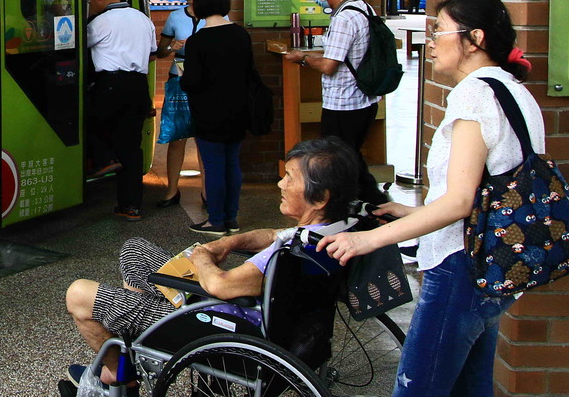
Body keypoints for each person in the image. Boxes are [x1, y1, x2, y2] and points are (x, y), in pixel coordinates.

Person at [320, 0, 538, 397]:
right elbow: (483, 192)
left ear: (475, 40)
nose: (430, 41)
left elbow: (460, 200)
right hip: (493, 271)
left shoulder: (473, 98)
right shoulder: (516, 94)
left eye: (440, 31)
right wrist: (409, 214)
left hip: (459, 271)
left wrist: (369, 237)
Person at [65, 137, 361, 384]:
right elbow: (273, 233)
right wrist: (228, 242)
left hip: (223, 326)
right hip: (262, 317)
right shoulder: (330, 232)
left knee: (78, 294)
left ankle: (120, 372)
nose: (281, 184)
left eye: (289, 179)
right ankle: (141, 339)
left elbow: (221, 285)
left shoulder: (288, 258)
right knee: (134, 249)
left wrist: (205, 256)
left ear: (320, 197)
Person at [285, 0, 389, 206]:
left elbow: (330, 65)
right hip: (364, 99)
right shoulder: (364, 8)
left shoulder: (343, 18)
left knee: (338, 162)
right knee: (350, 158)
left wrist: (303, 58)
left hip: (344, 104)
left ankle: (368, 206)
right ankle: (372, 206)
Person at [179, 0, 253, 234]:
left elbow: (192, 82)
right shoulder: (241, 34)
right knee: (232, 162)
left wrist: (182, 76)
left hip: (209, 112)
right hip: (239, 110)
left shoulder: (198, 41)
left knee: (213, 166)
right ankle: (231, 218)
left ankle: (216, 221)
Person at [82, 0, 155, 221]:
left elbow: (77, 45)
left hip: (111, 85)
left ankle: (104, 158)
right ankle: (130, 206)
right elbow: (153, 53)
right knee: (131, 148)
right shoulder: (143, 19)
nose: (89, 3)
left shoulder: (101, 22)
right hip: (138, 87)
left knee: (82, 119)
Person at [153, 0, 207, 207]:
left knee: (206, 137)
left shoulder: (216, 17)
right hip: (180, 79)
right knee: (177, 137)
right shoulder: (175, 17)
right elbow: (160, 52)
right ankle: (171, 191)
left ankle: (208, 192)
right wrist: (172, 46)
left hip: (207, 81)